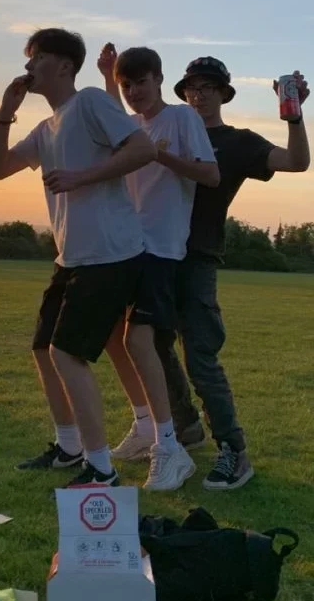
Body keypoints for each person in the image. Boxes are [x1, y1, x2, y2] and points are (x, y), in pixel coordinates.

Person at [0, 27, 194, 491]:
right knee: (43, 348)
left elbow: (142, 149)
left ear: (64, 65)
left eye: (36, 57)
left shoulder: (91, 103)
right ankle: (69, 447)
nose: (28, 66)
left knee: (67, 352)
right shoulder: (46, 128)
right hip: (72, 257)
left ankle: (101, 468)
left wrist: (82, 177)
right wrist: (5, 115)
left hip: (111, 254)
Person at [108, 55, 311, 491]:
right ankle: (183, 428)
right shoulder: (160, 128)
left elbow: (296, 162)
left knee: (200, 357)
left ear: (223, 94)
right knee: (151, 347)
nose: (198, 95)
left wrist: (294, 117)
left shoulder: (235, 142)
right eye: (192, 89)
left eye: (208, 88)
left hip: (195, 259)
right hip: (150, 254)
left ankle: (233, 450)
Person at [95, 44, 219, 463]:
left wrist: (160, 154)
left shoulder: (182, 118)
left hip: (160, 249)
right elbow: (111, 123)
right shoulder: (131, 125)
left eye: (141, 82)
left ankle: (169, 442)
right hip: (123, 247)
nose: (133, 92)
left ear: (160, 79)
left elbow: (210, 174)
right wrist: (107, 77)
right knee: (112, 334)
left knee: (139, 339)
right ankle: (146, 425)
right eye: (126, 85)